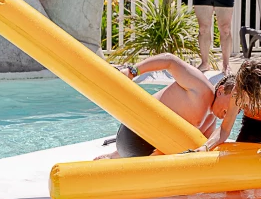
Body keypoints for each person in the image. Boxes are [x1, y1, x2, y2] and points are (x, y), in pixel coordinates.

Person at [99, 54, 234, 158]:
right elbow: (170, 61)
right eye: (234, 102)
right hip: (134, 132)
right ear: (221, 91)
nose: (235, 110)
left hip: (143, 152)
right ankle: (116, 155)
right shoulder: (201, 88)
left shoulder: (211, 120)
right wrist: (132, 71)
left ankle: (115, 156)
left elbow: (197, 148)